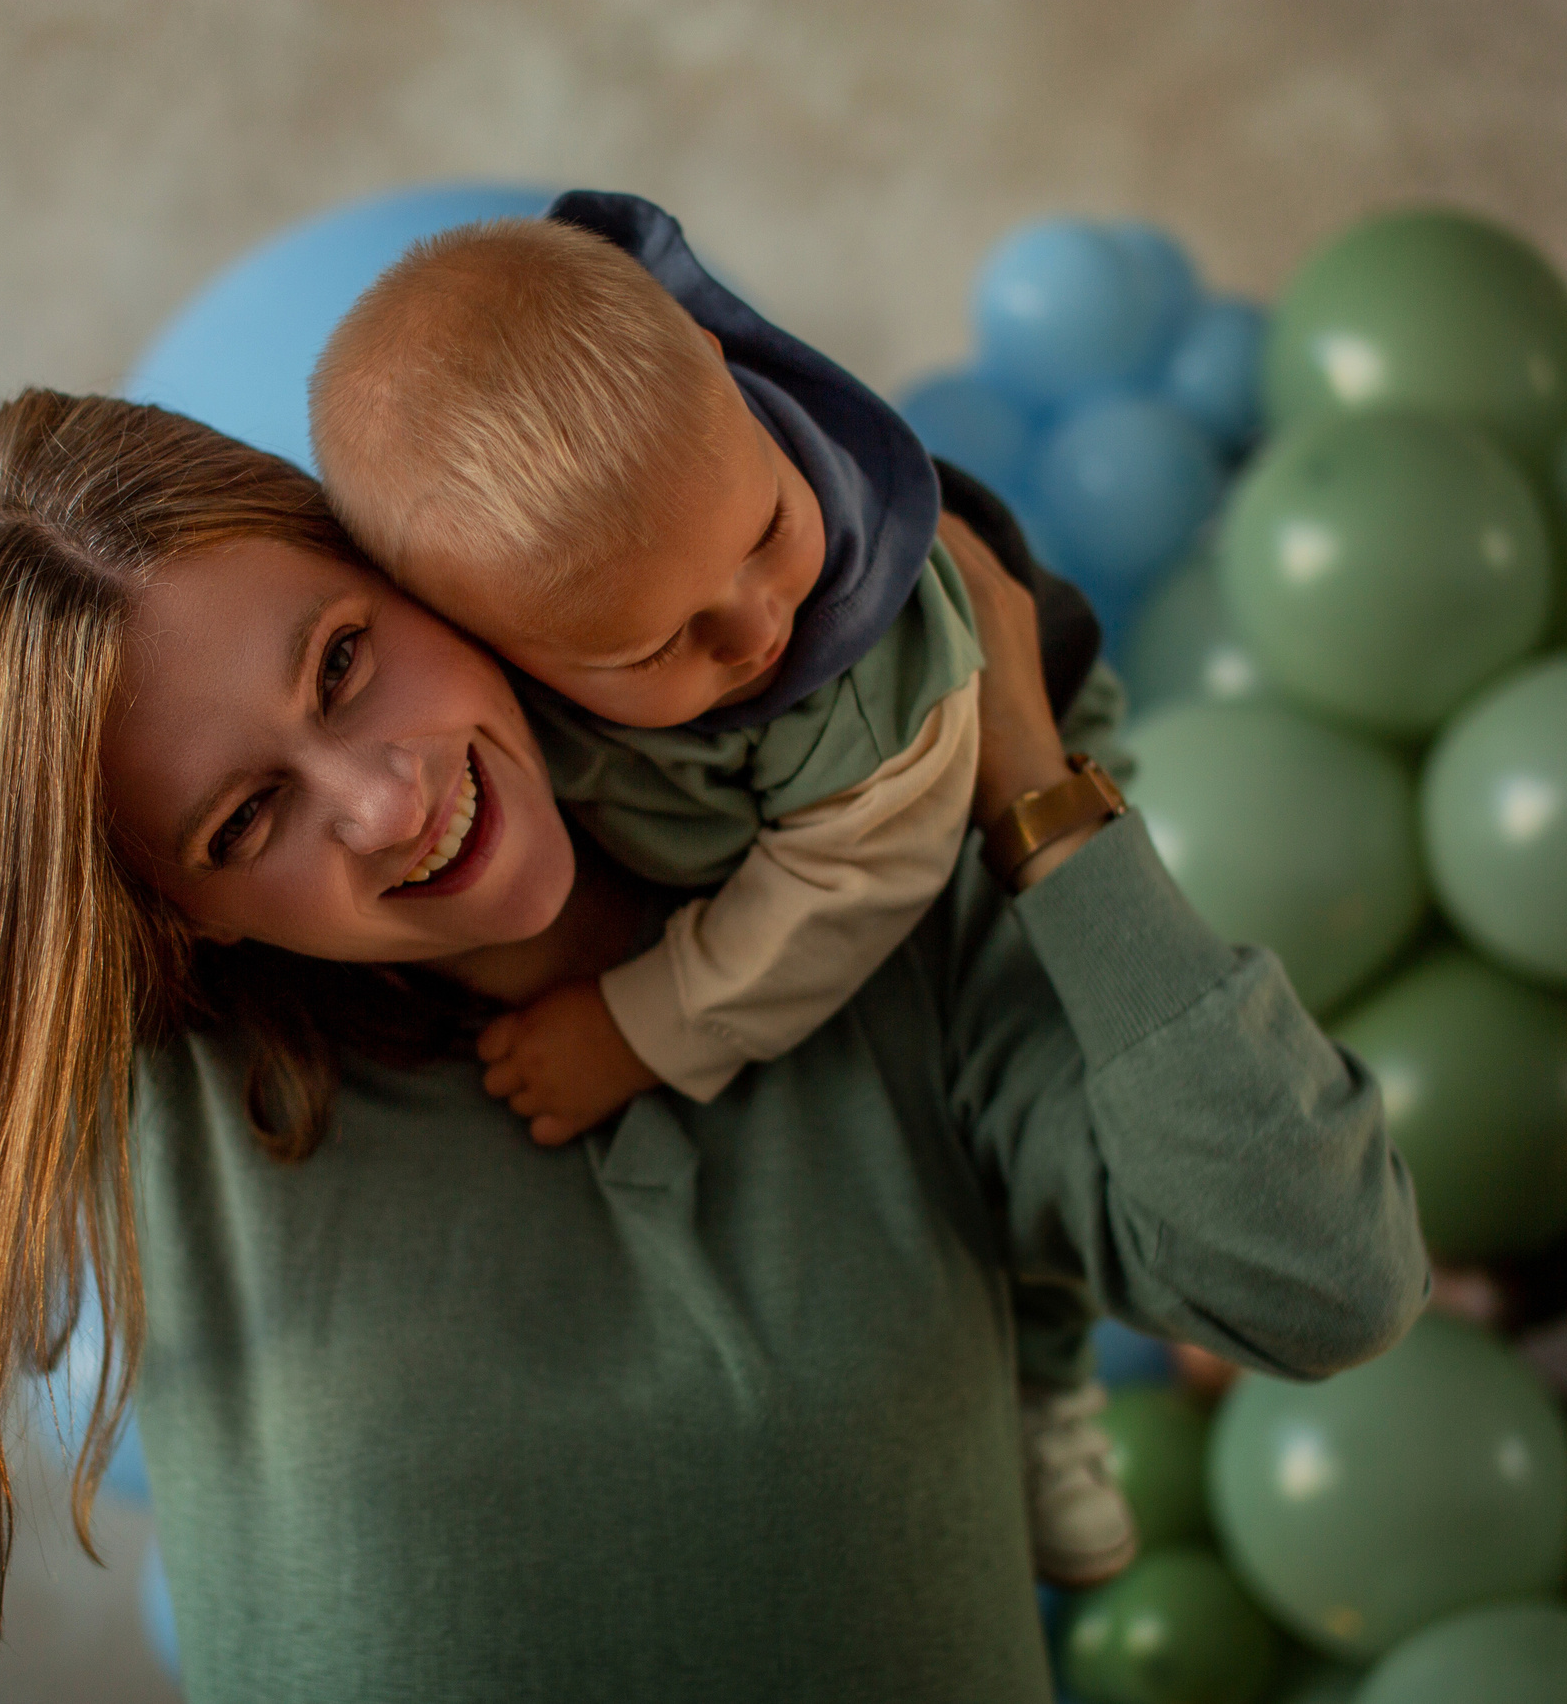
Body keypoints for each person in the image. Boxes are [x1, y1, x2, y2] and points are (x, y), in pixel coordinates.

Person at [0, 387, 1428, 1702]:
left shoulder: (893, 946)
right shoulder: (196, 1066)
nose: (382, 802)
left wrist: (1037, 788)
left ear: (411, 583)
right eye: (242, 820)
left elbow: (1318, 1278)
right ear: (173, 912)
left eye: (350, 658)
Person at [310, 192, 1132, 1581]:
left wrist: (643, 1024)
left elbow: (850, 887)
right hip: (727, 825)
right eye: (659, 640)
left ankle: (1053, 1388)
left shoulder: (861, 651)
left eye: (763, 524)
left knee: (1030, 1113)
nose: (760, 622)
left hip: (967, 816)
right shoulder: (508, 619)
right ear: (471, 635)